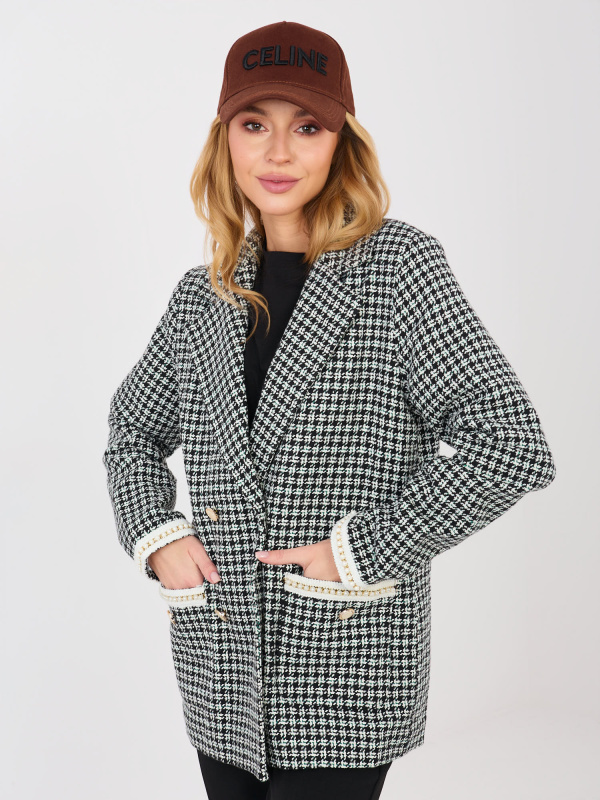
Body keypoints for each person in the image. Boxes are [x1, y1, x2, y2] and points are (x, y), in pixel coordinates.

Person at [102, 20, 557, 800]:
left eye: (307, 127)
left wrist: (359, 551)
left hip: (344, 661)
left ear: (342, 141)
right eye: (255, 125)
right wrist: (158, 536)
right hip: (219, 670)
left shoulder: (398, 267)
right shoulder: (203, 296)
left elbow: (512, 446)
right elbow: (132, 433)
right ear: (225, 141)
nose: (278, 153)